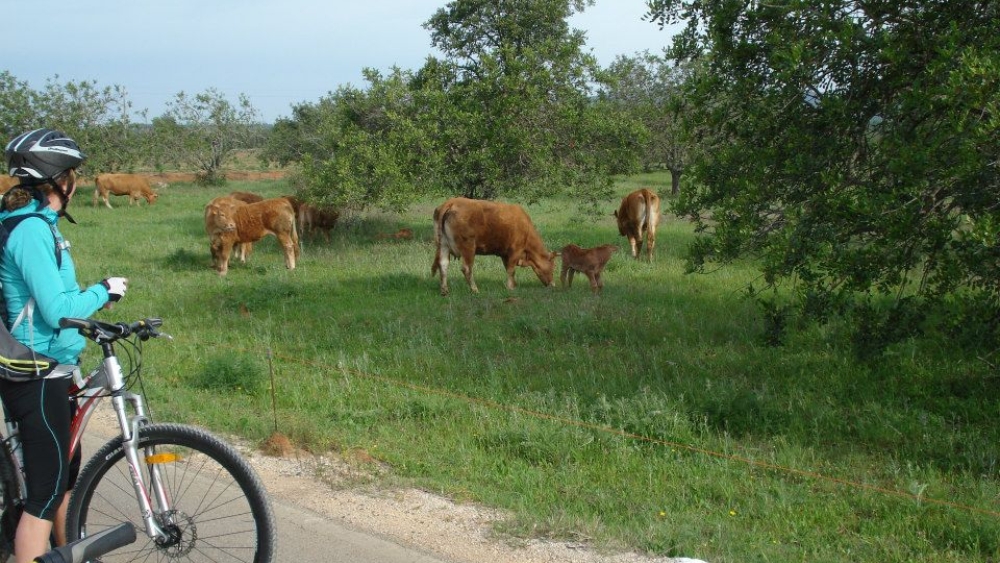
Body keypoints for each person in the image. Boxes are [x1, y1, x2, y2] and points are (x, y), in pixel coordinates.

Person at [0, 128, 128, 563]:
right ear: (60, 181)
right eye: (73, 173)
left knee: (64, 476)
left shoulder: (39, 225)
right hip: (35, 372)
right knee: (44, 492)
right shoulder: (31, 230)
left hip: (54, 366)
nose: (77, 181)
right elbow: (56, 309)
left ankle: (67, 552)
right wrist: (104, 291)